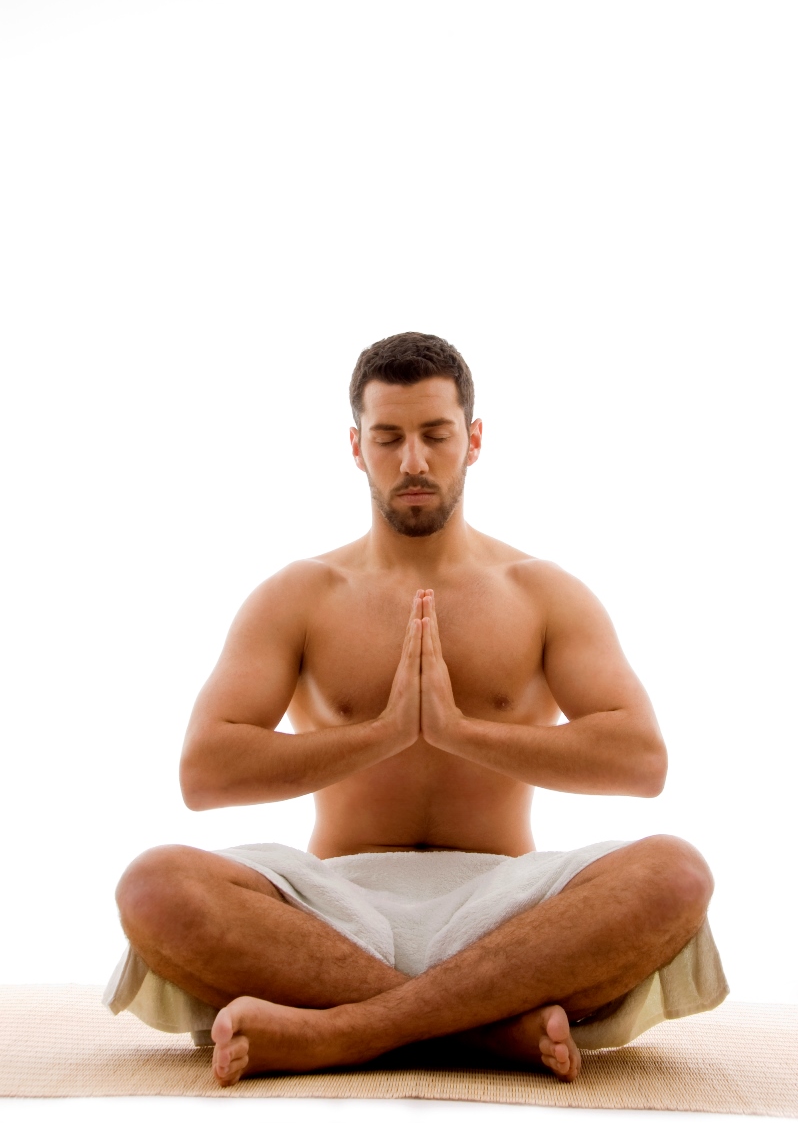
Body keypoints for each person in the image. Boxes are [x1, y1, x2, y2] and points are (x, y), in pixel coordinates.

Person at [105, 332, 727, 1087]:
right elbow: (205, 774)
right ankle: (488, 1032)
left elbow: (641, 761)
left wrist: (460, 731)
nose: (413, 462)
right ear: (355, 447)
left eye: (435, 435)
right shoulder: (298, 595)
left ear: (473, 440)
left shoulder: (541, 591)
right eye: (388, 438)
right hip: (331, 909)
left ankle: (345, 1032)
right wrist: (383, 734)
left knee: (675, 874)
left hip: (509, 908)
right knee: (153, 886)